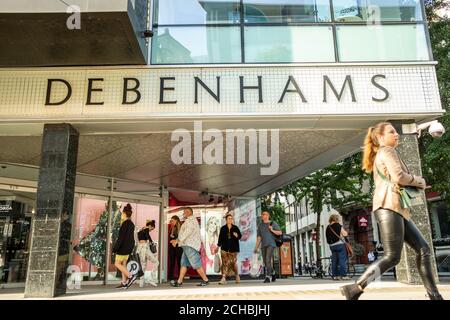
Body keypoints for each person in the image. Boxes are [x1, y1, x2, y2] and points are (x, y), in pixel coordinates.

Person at [340, 122, 443, 300]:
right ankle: (356, 288)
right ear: (380, 138)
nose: (396, 135)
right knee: (392, 256)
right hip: (389, 205)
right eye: (392, 132)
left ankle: (434, 295)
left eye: (396, 132)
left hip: (395, 207)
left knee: (424, 249)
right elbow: (399, 177)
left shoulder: (384, 152)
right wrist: (420, 181)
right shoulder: (387, 151)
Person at [170, 207, 210, 287]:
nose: (183, 214)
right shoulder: (191, 220)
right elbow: (184, 233)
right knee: (184, 264)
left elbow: (187, 232)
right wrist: (178, 240)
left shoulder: (190, 221)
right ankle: (179, 281)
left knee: (196, 263)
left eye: (184, 212)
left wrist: (177, 241)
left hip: (189, 245)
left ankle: (205, 280)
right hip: (187, 245)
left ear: (188, 212)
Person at [254, 211, 282, 283]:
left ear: (268, 216)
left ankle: (268, 277)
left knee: (268, 259)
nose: (264, 215)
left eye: (265, 214)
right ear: (262, 217)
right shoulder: (260, 226)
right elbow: (259, 237)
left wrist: (272, 229)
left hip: (271, 244)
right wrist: (256, 247)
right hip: (263, 245)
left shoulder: (273, 223)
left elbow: (280, 232)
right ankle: (273, 272)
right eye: (262, 214)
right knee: (265, 262)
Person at [112, 203, 136, 289]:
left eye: (122, 213)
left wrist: (115, 249)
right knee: (123, 264)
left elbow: (121, 238)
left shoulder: (125, 224)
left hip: (122, 248)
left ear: (125, 214)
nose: (121, 215)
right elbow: (131, 238)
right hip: (128, 248)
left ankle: (130, 276)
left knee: (117, 263)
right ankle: (124, 282)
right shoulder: (131, 224)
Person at [214, 213, 242, 284]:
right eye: (229, 219)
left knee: (233, 263)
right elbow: (220, 239)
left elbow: (240, 236)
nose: (230, 220)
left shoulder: (235, 228)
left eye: (231, 219)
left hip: (233, 248)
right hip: (224, 248)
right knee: (225, 263)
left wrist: (237, 236)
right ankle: (223, 278)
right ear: (226, 220)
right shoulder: (223, 228)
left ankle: (237, 275)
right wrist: (218, 246)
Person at [326, 214, 350, 280]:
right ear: (336, 219)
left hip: (332, 246)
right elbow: (345, 234)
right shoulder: (338, 225)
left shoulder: (328, 227)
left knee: (334, 261)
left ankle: (335, 276)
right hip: (340, 245)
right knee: (342, 260)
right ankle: (343, 275)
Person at [136, 219, 159, 287]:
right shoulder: (146, 229)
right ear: (149, 226)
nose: (151, 230)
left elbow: (138, 238)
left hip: (140, 248)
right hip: (145, 248)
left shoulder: (140, 230)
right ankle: (151, 279)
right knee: (156, 262)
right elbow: (147, 236)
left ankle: (141, 283)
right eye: (151, 228)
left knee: (143, 265)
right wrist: (152, 242)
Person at [168, 215, 183, 281]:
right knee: (172, 261)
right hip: (172, 246)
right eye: (171, 221)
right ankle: (171, 276)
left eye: (172, 221)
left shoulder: (180, 226)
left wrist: (174, 240)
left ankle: (180, 276)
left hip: (178, 246)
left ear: (176, 220)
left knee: (179, 261)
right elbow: (171, 236)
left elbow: (181, 237)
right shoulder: (172, 227)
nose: (171, 222)